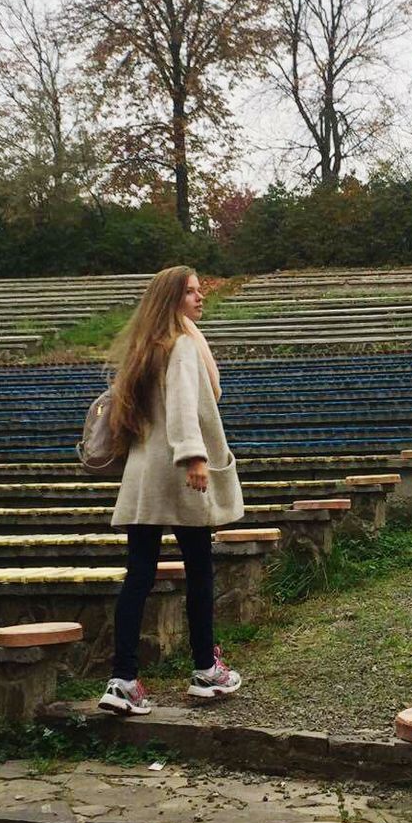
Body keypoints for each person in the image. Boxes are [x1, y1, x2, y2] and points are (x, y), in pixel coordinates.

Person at [98, 266, 244, 716]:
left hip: (144, 476)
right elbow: (183, 406)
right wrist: (193, 457)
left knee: (139, 573)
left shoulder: (145, 348)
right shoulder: (181, 345)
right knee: (199, 569)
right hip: (179, 474)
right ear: (172, 299)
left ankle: (122, 680)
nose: (201, 298)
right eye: (192, 292)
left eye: (201, 291)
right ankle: (205, 670)